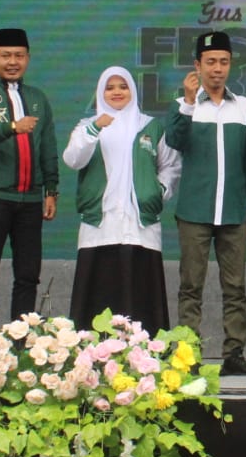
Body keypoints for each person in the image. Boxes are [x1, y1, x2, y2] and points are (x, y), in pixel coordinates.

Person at [167, 31, 246, 375]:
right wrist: (188, 102)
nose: (217, 68)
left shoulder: (245, 107)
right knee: (190, 286)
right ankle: (188, 355)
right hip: (194, 210)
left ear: (230, 65)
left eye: (223, 62)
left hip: (235, 210)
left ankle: (234, 354)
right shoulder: (184, 105)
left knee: (235, 287)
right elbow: (174, 140)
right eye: (210, 62)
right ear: (197, 65)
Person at [63, 66, 181, 332]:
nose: (117, 92)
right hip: (99, 227)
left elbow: (171, 166)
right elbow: (72, 159)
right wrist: (95, 128)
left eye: (123, 86)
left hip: (140, 228)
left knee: (141, 298)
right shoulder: (87, 126)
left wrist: (157, 191)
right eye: (110, 88)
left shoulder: (150, 126)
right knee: (97, 300)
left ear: (132, 91)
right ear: (100, 93)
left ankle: (144, 353)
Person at [0, 28, 60, 323]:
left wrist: (51, 189)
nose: (13, 62)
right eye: (6, 56)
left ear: (28, 58)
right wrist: (12, 127)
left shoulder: (38, 98)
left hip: (30, 200)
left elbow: (48, 147)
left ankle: (22, 339)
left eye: (19, 56)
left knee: (28, 275)